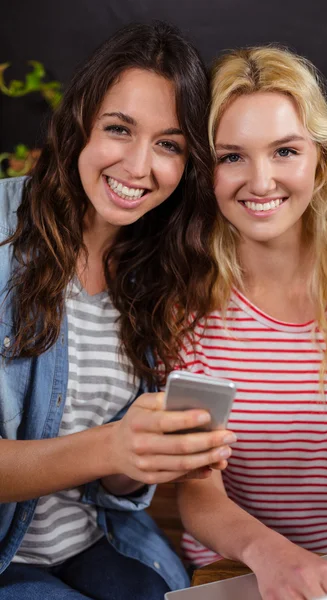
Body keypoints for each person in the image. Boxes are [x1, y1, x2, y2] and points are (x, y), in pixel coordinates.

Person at [0, 21, 236, 600]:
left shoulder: (157, 270)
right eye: (119, 129)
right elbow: (107, 450)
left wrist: (154, 452)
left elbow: (116, 481)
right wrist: (112, 445)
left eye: (169, 145)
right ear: (80, 121)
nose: (137, 166)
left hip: (99, 539)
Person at [174, 46, 327, 599]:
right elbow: (198, 491)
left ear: (320, 160)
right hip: (237, 569)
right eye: (232, 157)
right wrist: (269, 554)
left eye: (284, 151)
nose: (261, 181)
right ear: (208, 172)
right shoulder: (185, 309)